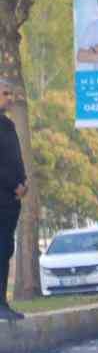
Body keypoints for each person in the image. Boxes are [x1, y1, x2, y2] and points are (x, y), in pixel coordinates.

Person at [0, 77, 29, 322]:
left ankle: (3, 303)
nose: (9, 99)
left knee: (5, 249)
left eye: (10, 94)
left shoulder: (7, 125)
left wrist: (25, 182)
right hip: (3, 196)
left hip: (11, 202)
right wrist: (14, 184)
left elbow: (15, 158)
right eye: (5, 93)